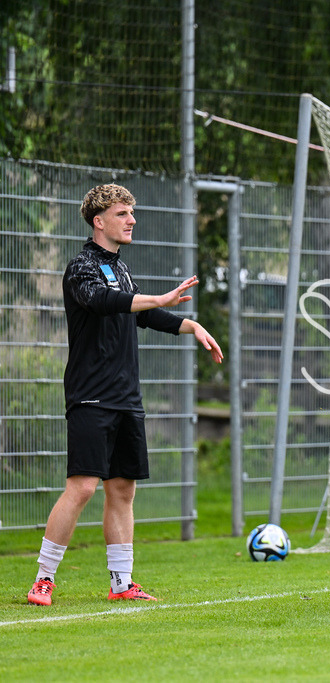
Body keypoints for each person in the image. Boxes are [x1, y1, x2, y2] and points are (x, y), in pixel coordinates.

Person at [27, 184, 223, 606]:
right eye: (122, 213)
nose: (131, 219)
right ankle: (43, 579)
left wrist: (190, 325)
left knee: (122, 489)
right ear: (99, 221)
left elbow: (143, 312)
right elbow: (105, 302)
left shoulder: (122, 267)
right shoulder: (81, 267)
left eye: (131, 212)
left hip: (126, 398)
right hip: (91, 397)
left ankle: (122, 584)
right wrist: (156, 297)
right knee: (82, 487)